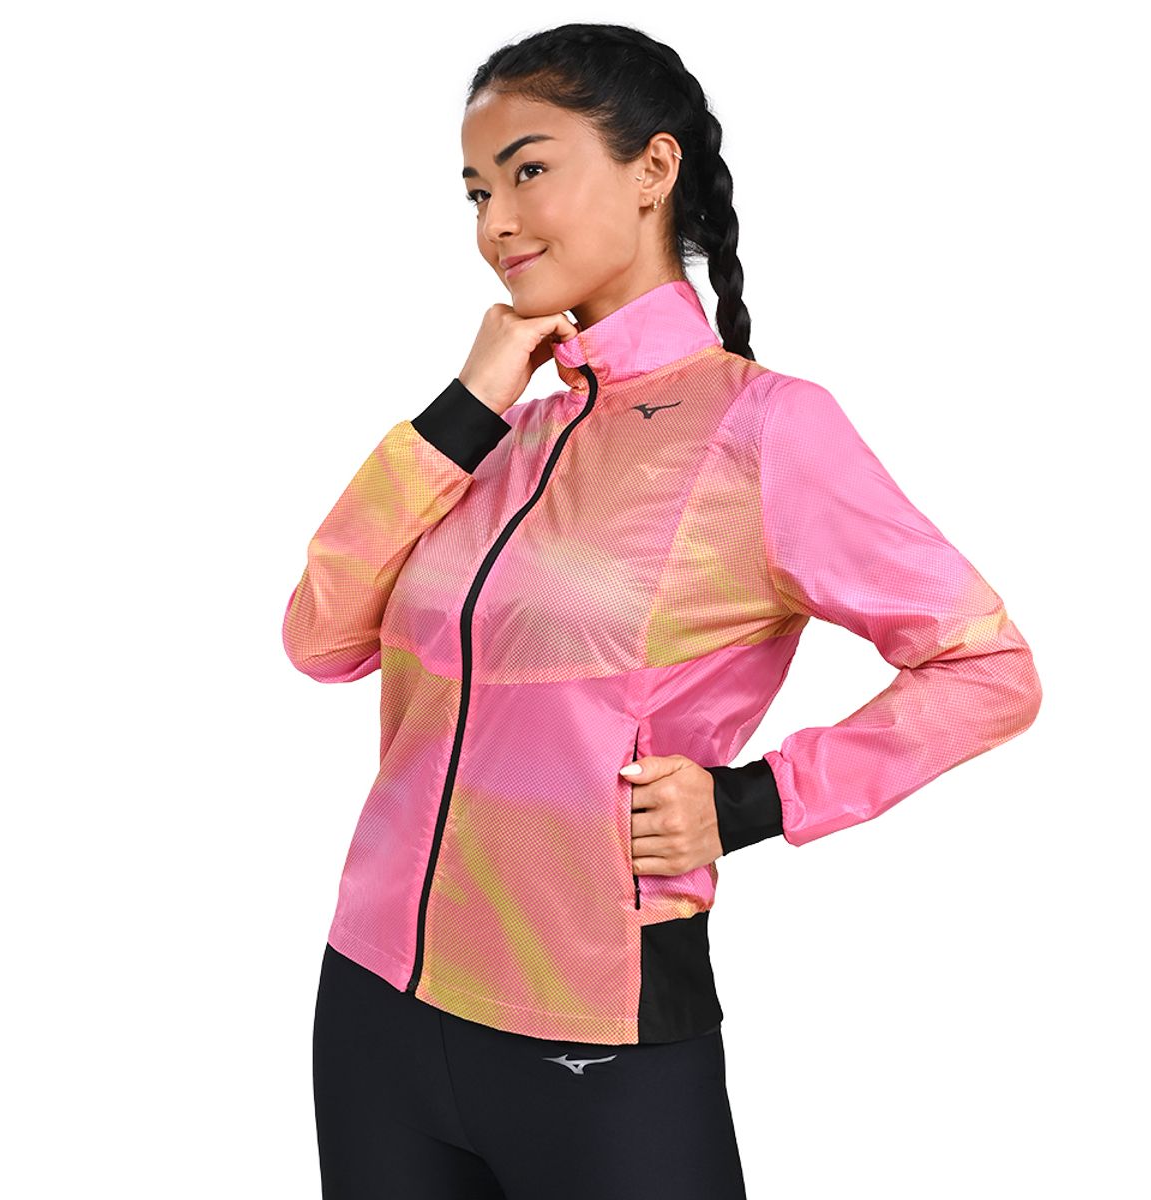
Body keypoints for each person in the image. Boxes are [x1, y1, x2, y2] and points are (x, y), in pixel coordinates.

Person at [282, 22, 1042, 1199]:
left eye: (529, 170)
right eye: (476, 191)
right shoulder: (496, 437)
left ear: (653, 169)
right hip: (373, 1002)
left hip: (593, 1029)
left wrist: (751, 801)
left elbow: (987, 669)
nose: (495, 223)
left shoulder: (762, 428)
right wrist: (470, 399)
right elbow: (321, 638)